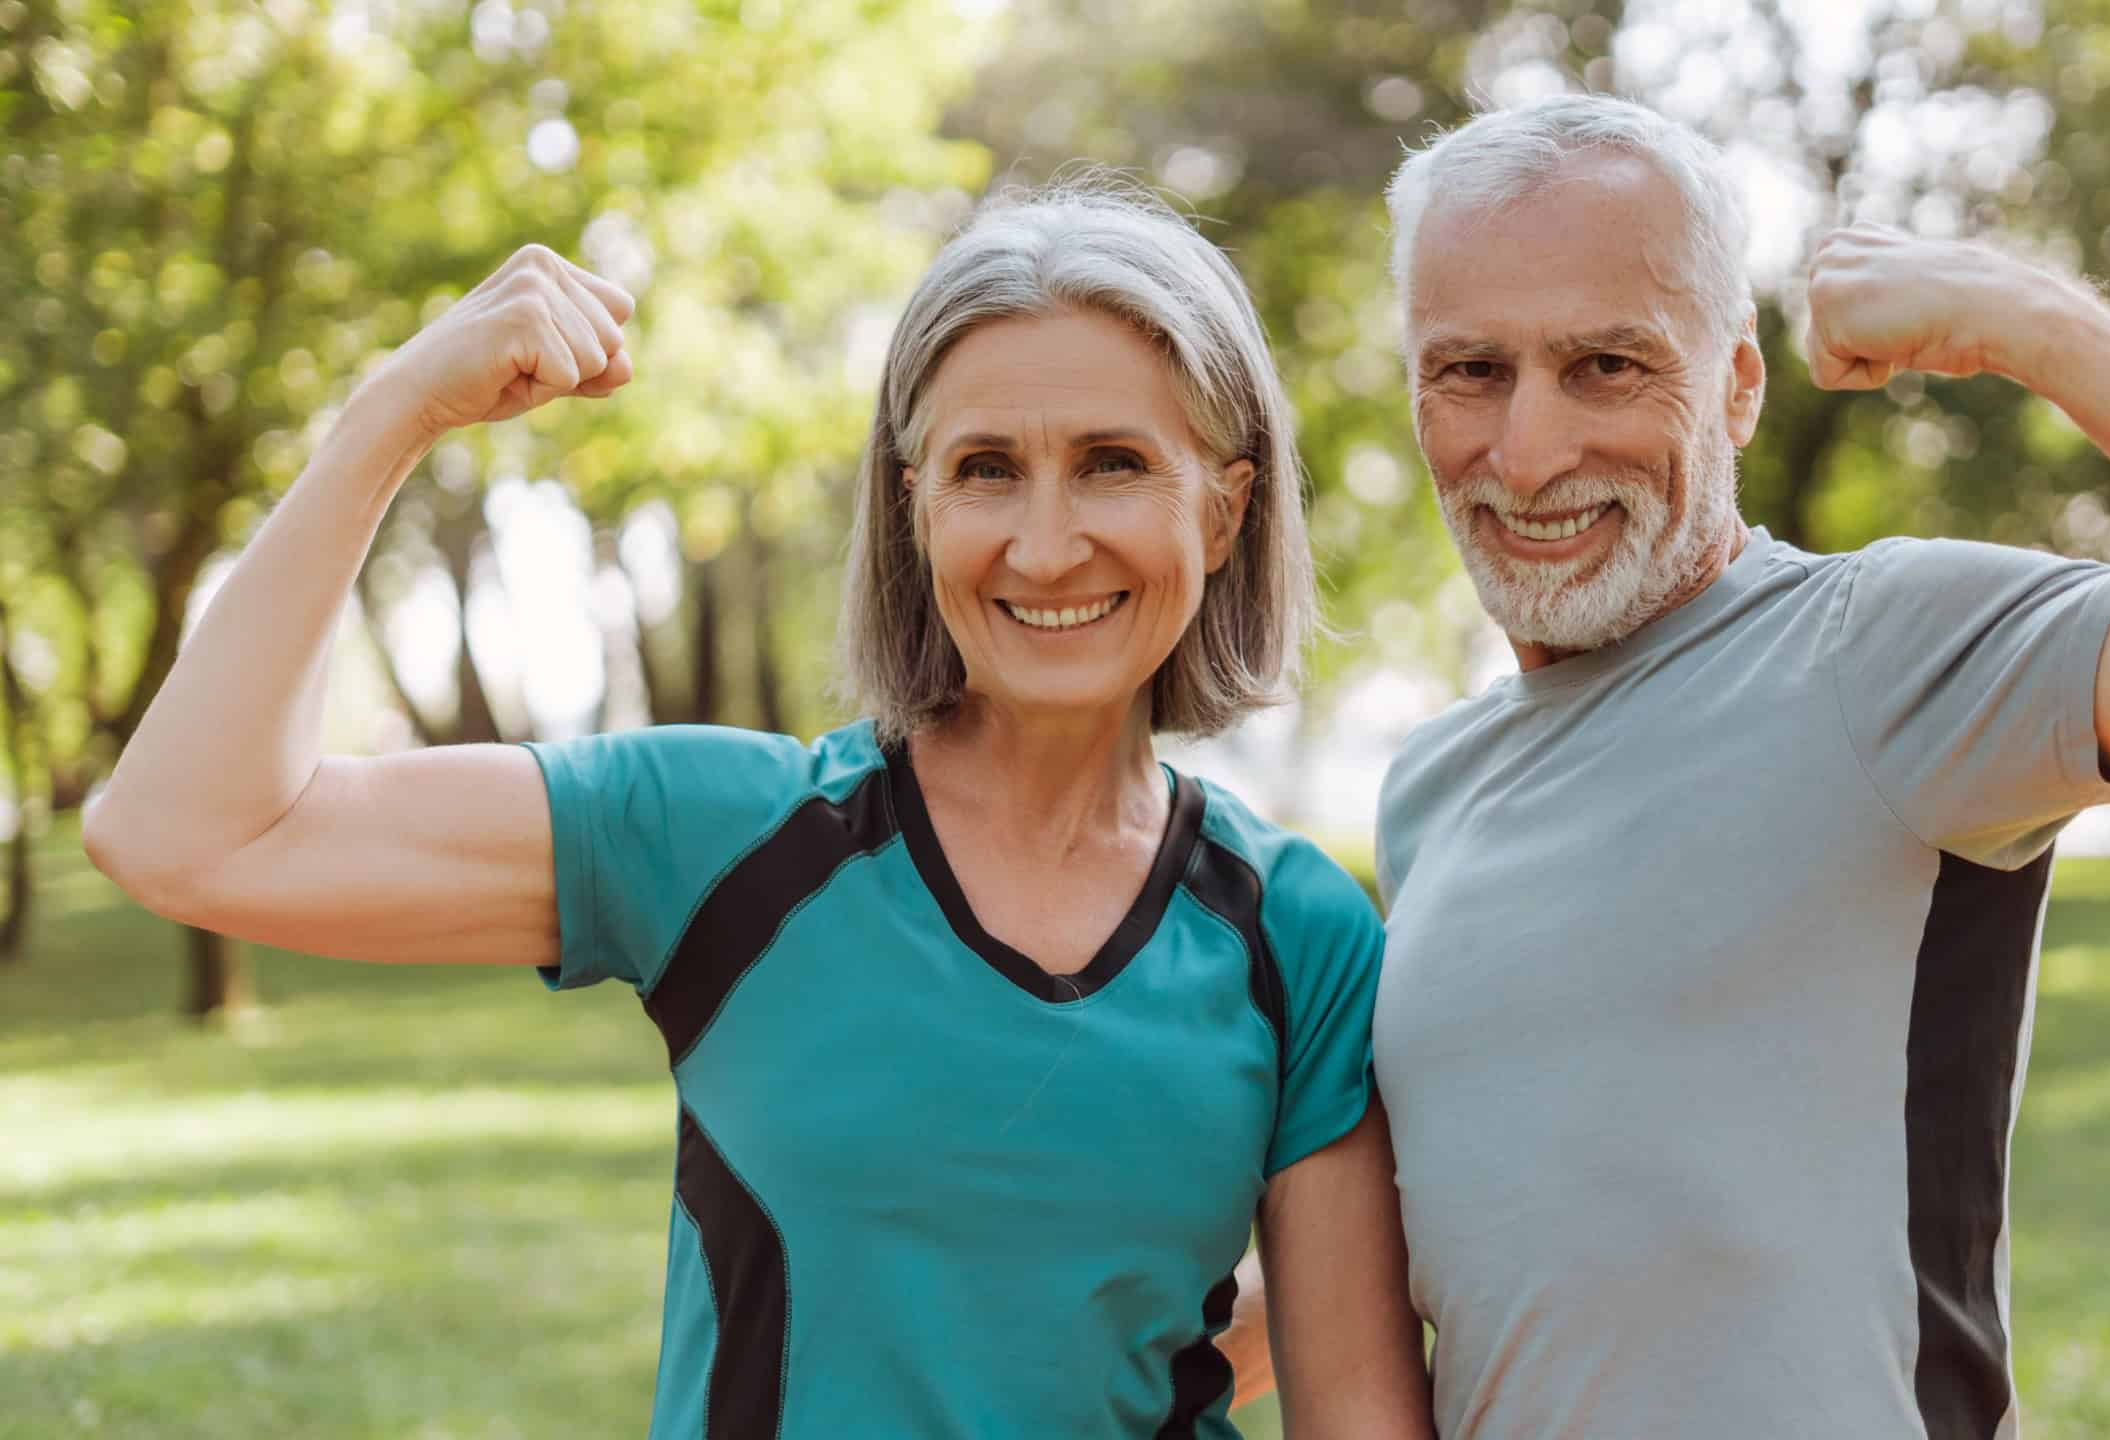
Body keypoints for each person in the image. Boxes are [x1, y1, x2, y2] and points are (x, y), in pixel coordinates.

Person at [1218, 94, 2110, 1437]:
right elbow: (1457, 1249)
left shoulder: (1886, 656)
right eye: (1471, 371)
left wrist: (2042, 326)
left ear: (1738, 385)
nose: (1530, 450)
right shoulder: (1434, 786)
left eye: (1608, 367)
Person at [82, 184, 1435, 1439]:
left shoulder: (1297, 934)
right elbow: (183, 836)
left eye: (1114, 463)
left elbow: (1348, 1401)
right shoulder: (727, 840)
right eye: (982, 470)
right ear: (910, 510)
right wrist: (395, 414)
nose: (1043, 541)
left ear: (1224, 507)